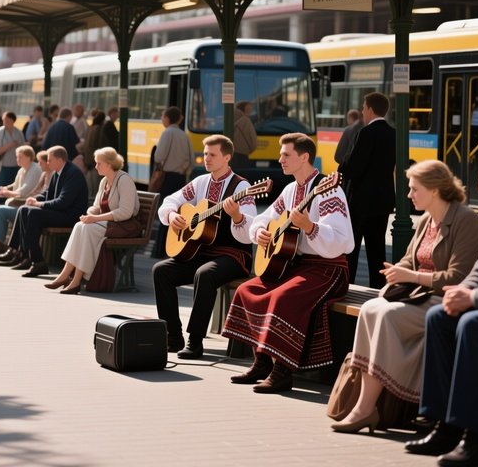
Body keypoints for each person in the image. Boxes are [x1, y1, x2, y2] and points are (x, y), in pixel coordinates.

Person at [331, 160, 478, 434]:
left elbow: (457, 278)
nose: (408, 195)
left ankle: (366, 408)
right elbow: (408, 260)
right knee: (370, 309)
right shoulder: (427, 219)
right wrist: (398, 271)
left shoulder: (466, 220)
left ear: (435, 190)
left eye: (414, 189)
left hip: (443, 300)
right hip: (417, 296)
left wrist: (412, 278)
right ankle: (365, 403)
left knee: (388, 315)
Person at [404, 147, 478, 466]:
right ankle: (445, 426)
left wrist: (473, 298)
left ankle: (476, 440)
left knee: (473, 325)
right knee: (441, 315)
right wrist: (461, 291)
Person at [223, 132, 353, 392]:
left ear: (304, 157)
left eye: (286, 154)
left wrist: (310, 226)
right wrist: (259, 231)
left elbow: (343, 241)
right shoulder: (291, 189)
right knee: (248, 290)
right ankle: (261, 361)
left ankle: (283, 371)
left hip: (329, 268)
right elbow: (266, 217)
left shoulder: (329, 190)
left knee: (282, 297)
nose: (279, 159)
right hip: (296, 265)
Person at [153, 135, 253, 359]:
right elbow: (170, 200)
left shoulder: (242, 187)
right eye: (205, 154)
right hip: (201, 251)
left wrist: (237, 215)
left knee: (204, 274)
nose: (206, 158)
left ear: (227, 157)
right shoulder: (200, 182)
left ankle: (195, 341)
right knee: (161, 271)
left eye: (212, 155)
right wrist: (171, 215)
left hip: (233, 255)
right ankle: (173, 336)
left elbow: (249, 233)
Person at [46, 147, 140, 294]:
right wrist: (89, 215)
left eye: (99, 163)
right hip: (109, 223)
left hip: (123, 226)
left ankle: (76, 280)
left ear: (109, 164)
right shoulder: (104, 181)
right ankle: (65, 275)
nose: (95, 166)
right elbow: (96, 207)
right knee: (79, 226)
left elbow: (125, 212)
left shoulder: (124, 180)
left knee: (88, 229)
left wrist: (95, 218)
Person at [0, 146, 87, 277]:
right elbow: (48, 193)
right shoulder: (58, 172)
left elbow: (63, 202)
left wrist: (39, 204)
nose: (47, 163)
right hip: (60, 212)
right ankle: (19, 253)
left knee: (33, 213)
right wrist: (36, 198)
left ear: (59, 159)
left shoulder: (73, 173)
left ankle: (38, 262)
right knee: (24, 209)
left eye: (49, 160)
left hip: (70, 215)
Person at [341, 92, 396, 287]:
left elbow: (353, 168)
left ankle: (348, 286)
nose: (363, 112)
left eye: (364, 108)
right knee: (377, 249)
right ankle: (378, 288)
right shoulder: (393, 133)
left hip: (360, 201)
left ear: (370, 110)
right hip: (382, 201)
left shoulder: (365, 133)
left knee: (352, 248)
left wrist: (343, 167)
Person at [0, 151, 52, 260]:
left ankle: (8, 249)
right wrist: (5, 190)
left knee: (0, 209)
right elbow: (35, 192)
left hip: (29, 204)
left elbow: (26, 191)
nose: (39, 164)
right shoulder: (41, 174)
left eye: (41, 162)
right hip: (28, 203)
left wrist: (10, 194)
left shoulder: (43, 173)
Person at [150, 106, 194, 258]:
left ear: (168, 119)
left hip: (167, 177)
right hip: (180, 178)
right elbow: (191, 160)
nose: (162, 119)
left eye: (163, 117)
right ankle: (172, 247)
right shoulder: (184, 135)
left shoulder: (167, 133)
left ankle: (160, 249)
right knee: (176, 212)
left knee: (166, 212)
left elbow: (159, 156)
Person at [0, 111, 26, 187]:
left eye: (7, 120)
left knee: (15, 187)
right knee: (0, 188)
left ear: (13, 121)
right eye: (4, 120)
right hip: (4, 166)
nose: (5, 122)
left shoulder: (18, 132)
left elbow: (24, 148)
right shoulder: (0, 131)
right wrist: (8, 146)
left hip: (17, 166)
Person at [84, 110, 106, 197]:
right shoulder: (99, 129)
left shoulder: (90, 128)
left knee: (91, 184)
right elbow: (100, 144)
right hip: (95, 161)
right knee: (96, 185)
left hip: (89, 160)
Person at [232, 100, 258, 176]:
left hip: (230, 155)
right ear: (246, 108)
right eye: (250, 109)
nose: (251, 111)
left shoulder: (229, 116)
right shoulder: (245, 121)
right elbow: (253, 142)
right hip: (242, 157)